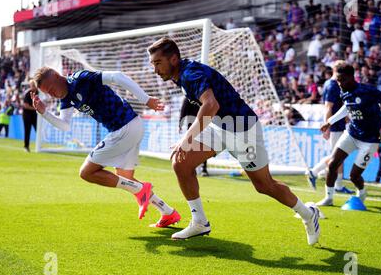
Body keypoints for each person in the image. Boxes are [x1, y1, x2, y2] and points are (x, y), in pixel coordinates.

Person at [147, 37, 321, 245]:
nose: (155, 69)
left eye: (158, 63)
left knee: (264, 185)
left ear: (173, 59)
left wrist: (187, 137)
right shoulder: (181, 74)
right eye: (153, 64)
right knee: (180, 162)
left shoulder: (190, 73)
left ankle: (308, 214)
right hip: (220, 127)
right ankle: (200, 221)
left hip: (243, 129)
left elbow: (211, 105)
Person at [32, 67, 181, 228]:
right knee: (126, 178)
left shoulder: (80, 78)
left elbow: (117, 76)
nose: (52, 94)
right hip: (131, 126)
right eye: (48, 93)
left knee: (86, 172)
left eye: (51, 89)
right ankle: (167, 212)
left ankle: (141, 190)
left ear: (56, 75)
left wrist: (145, 99)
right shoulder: (66, 99)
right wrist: (44, 113)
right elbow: (65, 125)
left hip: (125, 127)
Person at [318, 62, 381, 206]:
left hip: (370, 139)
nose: (339, 83)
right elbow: (347, 107)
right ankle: (329, 198)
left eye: (342, 79)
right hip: (352, 134)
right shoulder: (343, 91)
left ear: (351, 77)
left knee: (354, 176)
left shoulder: (367, 91)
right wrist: (329, 122)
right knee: (332, 164)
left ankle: (361, 191)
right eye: (338, 80)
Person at [306, 65, 353, 195]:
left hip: (338, 125)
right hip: (335, 126)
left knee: (339, 155)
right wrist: (328, 126)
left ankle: (336, 183)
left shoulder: (330, 84)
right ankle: (315, 172)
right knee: (337, 155)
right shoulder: (333, 86)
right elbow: (328, 107)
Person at [179, 98, 208, 176]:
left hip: (202, 125)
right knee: (198, 147)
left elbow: (183, 111)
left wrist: (180, 124)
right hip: (194, 127)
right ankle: (198, 168)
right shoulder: (188, 98)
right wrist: (180, 124)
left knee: (202, 146)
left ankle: (202, 168)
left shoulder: (202, 97)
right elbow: (183, 111)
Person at [23, 80, 38, 152]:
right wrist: (35, 108)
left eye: (34, 85)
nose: (34, 86)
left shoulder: (38, 93)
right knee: (27, 130)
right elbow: (25, 106)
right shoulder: (27, 94)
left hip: (34, 114)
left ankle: (39, 146)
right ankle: (26, 146)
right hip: (27, 114)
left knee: (37, 129)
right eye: (32, 85)